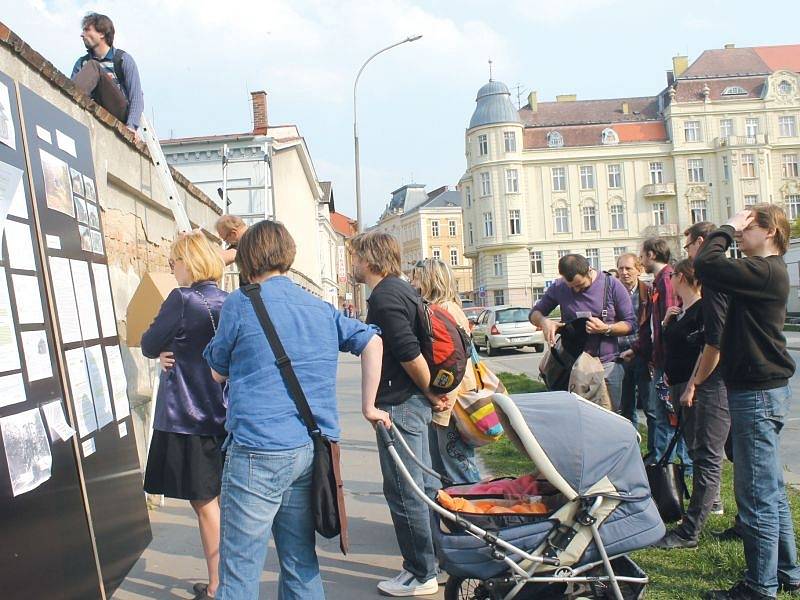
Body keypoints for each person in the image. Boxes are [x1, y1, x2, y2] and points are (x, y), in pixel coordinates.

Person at [203, 220, 382, 600]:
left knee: (239, 573)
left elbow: (217, 370)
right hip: (309, 449)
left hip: (257, 449)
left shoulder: (240, 302)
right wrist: (369, 405)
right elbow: (372, 343)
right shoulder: (318, 306)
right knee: (300, 562)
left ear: (247, 257)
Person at [696, 206, 800, 600]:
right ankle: (789, 573)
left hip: (756, 394)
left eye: (748, 227)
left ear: (770, 231)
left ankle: (760, 587)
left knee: (755, 495)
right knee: (770, 489)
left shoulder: (766, 270)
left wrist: (726, 226)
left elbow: (707, 262)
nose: (740, 233)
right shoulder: (764, 272)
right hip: (762, 390)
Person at [350, 231, 446, 597]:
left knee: (405, 491)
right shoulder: (401, 289)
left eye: (357, 257)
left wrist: (430, 392)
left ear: (371, 260)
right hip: (409, 403)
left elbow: (408, 354)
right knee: (421, 487)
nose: (354, 264)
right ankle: (431, 563)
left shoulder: (386, 297)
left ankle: (420, 572)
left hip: (401, 405)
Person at [140, 231, 228, 599]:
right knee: (219, 501)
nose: (171, 267)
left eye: (174, 260)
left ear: (188, 262)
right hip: (224, 414)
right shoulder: (229, 301)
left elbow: (147, 342)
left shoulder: (182, 299)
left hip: (188, 416)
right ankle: (223, 581)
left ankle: (218, 586)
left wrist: (162, 350)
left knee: (204, 503)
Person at [655, 222, 728, 550]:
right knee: (698, 452)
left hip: (704, 388)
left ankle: (693, 527)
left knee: (706, 455)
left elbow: (709, 348)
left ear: (681, 277)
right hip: (684, 386)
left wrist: (693, 385)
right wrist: (670, 320)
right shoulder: (684, 311)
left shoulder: (706, 305)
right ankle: (695, 519)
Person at [530, 253, 635, 412]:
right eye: (572, 286)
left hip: (606, 365)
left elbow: (631, 323)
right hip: (572, 366)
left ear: (589, 271)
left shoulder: (612, 285)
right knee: (577, 417)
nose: (577, 290)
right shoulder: (559, 287)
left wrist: (607, 328)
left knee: (610, 418)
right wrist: (544, 322)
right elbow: (534, 313)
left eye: (581, 285)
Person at [411, 258, 481, 484]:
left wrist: (441, 397)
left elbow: (452, 361)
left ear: (430, 280)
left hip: (452, 397)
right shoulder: (447, 307)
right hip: (454, 392)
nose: (413, 282)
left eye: (417, 277)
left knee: (458, 463)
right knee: (448, 462)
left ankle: (475, 512)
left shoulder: (443, 310)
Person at [623, 237, 690, 470]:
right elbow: (651, 326)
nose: (641, 260)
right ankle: (664, 462)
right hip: (660, 359)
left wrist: (663, 360)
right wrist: (639, 349)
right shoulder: (660, 280)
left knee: (668, 415)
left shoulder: (668, 280)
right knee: (665, 414)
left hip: (669, 362)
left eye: (641, 256)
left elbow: (667, 325)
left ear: (651, 255)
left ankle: (675, 465)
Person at [71, 13, 144, 131]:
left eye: (87, 30)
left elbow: (136, 96)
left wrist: (131, 126)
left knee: (93, 67)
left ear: (102, 33)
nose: (82, 34)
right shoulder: (81, 63)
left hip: (119, 112)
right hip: (94, 108)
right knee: (90, 68)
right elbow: (72, 87)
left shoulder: (122, 59)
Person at [616, 253, 651, 427]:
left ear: (639, 270)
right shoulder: (611, 293)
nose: (624, 272)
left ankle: (656, 453)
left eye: (628, 268)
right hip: (620, 356)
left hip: (643, 355)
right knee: (626, 409)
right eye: (621, 268)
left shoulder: (649, 292)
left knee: (651, 407)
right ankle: (631, 450)